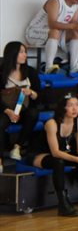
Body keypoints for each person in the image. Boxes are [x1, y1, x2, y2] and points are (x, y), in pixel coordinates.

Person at [29, 94, 78, 216]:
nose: (75, 108)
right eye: (70, 105)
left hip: (64, 153)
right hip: (41, 154)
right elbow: (55, 152)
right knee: (58, 162)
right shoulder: (52, 123)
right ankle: (63, 204)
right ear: (62, 108)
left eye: (77, 105)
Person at [25, 0, 78, 73]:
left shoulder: (77, 4)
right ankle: (48, 68)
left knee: (76, 32)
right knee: (55, 31)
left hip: (55, 33)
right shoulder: (56, 1)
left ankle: (74, 66)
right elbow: (52, 24)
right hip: (34, 33)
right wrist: (74, 26)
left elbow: (73, 23)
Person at [0, 42, 40, 173]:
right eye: (21, 52)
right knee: (0, 122)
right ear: (12, 54)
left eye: (25, 52)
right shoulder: (2, 72)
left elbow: (39, 95)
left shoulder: (30, 72)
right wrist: (8, 111)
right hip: (5, 110)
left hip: (23, 109)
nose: (25, 55)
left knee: (34, 114)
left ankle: (18, 146)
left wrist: (31, 93)